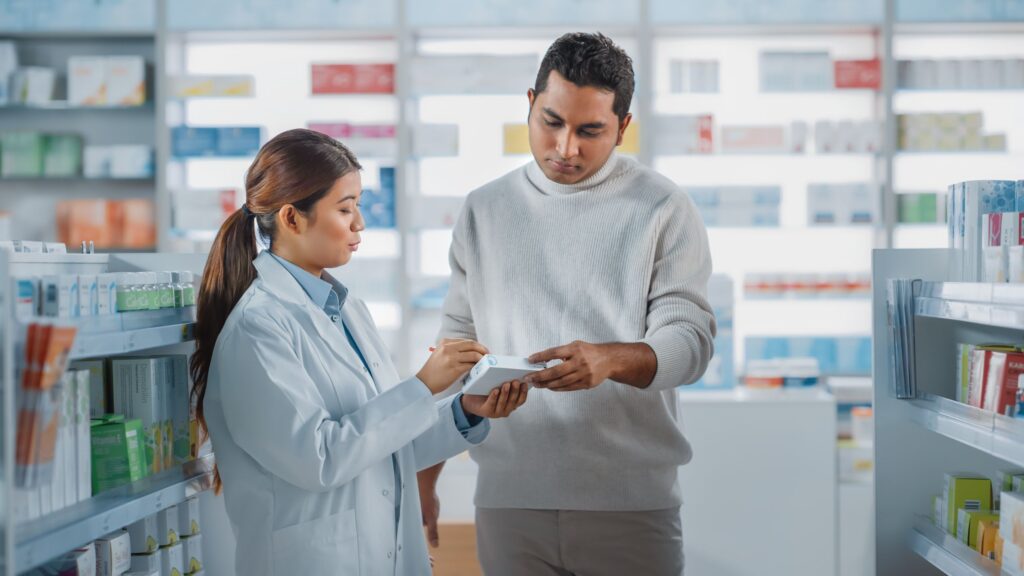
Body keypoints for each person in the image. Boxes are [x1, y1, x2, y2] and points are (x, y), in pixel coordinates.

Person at [417, 33, 716, 575]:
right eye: (551, 122)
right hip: (510, 501)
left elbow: (689, 342)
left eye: (590, 131)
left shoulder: (663, 207)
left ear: (623, 127)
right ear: (529, 103)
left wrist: (610, 359)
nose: (565, 148)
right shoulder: (484, 209)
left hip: (629, 506)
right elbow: (454, 350)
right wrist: (425, 474)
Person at [190, 129, 528, 576]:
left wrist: (464, 410)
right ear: (292, 218)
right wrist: (424, 385)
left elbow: (384, 444)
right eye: (345, 208)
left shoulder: (349, 312)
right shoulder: (257, 328)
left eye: (359, 206)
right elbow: (320, 459)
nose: (359, 224)